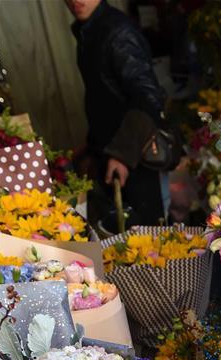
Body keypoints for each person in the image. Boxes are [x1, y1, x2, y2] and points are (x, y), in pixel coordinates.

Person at [65, 0, 166, 226]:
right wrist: (90, 148)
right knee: (121, 236)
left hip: (134, 156)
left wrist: (121, 154)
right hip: (110, 154)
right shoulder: (89, 29)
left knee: (147, 241)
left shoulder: (116, 31)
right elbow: (101, 100)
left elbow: (148, 97)